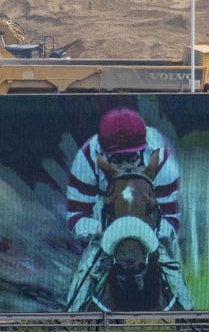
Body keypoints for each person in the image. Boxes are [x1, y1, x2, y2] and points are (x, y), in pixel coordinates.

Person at [64, 107, 193, 311]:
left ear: (143, 150)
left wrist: (145, 236)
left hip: (152, 225)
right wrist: (103, 232)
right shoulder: (86, 159)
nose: (126, 167)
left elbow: (170, 219)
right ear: (103, 155)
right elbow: (76, 218)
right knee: (86, 271)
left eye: (132, 158)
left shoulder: (163, 162)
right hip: (106, 223)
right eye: (117, 160)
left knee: (172, 270)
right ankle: (72, 316)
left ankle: (190, 315)